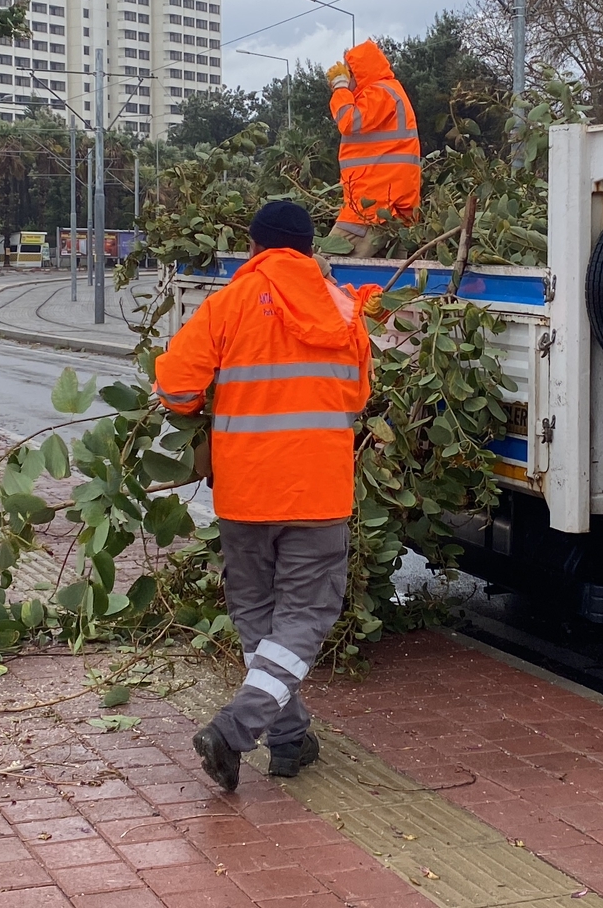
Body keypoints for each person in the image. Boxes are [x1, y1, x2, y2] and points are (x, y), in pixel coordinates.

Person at [153, 201, 381, 790]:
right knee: (304, 617)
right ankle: (241, 730)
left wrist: (202, 409)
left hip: (246, 493)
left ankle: (286, 738)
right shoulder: (342, 308)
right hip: (317, 493)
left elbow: (175, 387)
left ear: (255, 246)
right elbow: (357, 397)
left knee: (258, 615)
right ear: (309, 249)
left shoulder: (226, 304)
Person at [326, 39, 421, 257]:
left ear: (358, 71)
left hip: (371, 207)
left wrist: (340, 88)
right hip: (391, 207)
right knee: (387, 281)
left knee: (327, 271)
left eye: (349, 72)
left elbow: (348, 121)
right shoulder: (386, 93)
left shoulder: (380, 92)